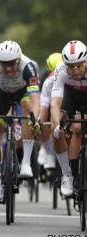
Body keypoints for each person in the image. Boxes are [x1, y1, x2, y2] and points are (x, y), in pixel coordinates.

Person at [0, 40, 40, 201]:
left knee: (29, 110)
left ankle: (26, 163)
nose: (8, 68)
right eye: (4, 64)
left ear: (19, 60)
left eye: (12, 64)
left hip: (23, 93)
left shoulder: (28, 67)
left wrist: (36, 119)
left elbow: (35, 98)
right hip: (1, 94)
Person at [51, 40, 87, 196]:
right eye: (72, 67)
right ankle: (68, 174)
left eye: (79, 65)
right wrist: (58, 125)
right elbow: (55, 103)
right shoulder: (61, 70)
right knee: (61, 131)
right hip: (71, 96)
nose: (76, 70)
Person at [38, 53, 62, 169]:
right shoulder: (45, 79)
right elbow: (42, 103)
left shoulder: (69, 75)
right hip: (48, 98)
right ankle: (47, 150)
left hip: (64, 99)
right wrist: (39, 122)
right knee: (44, 120)